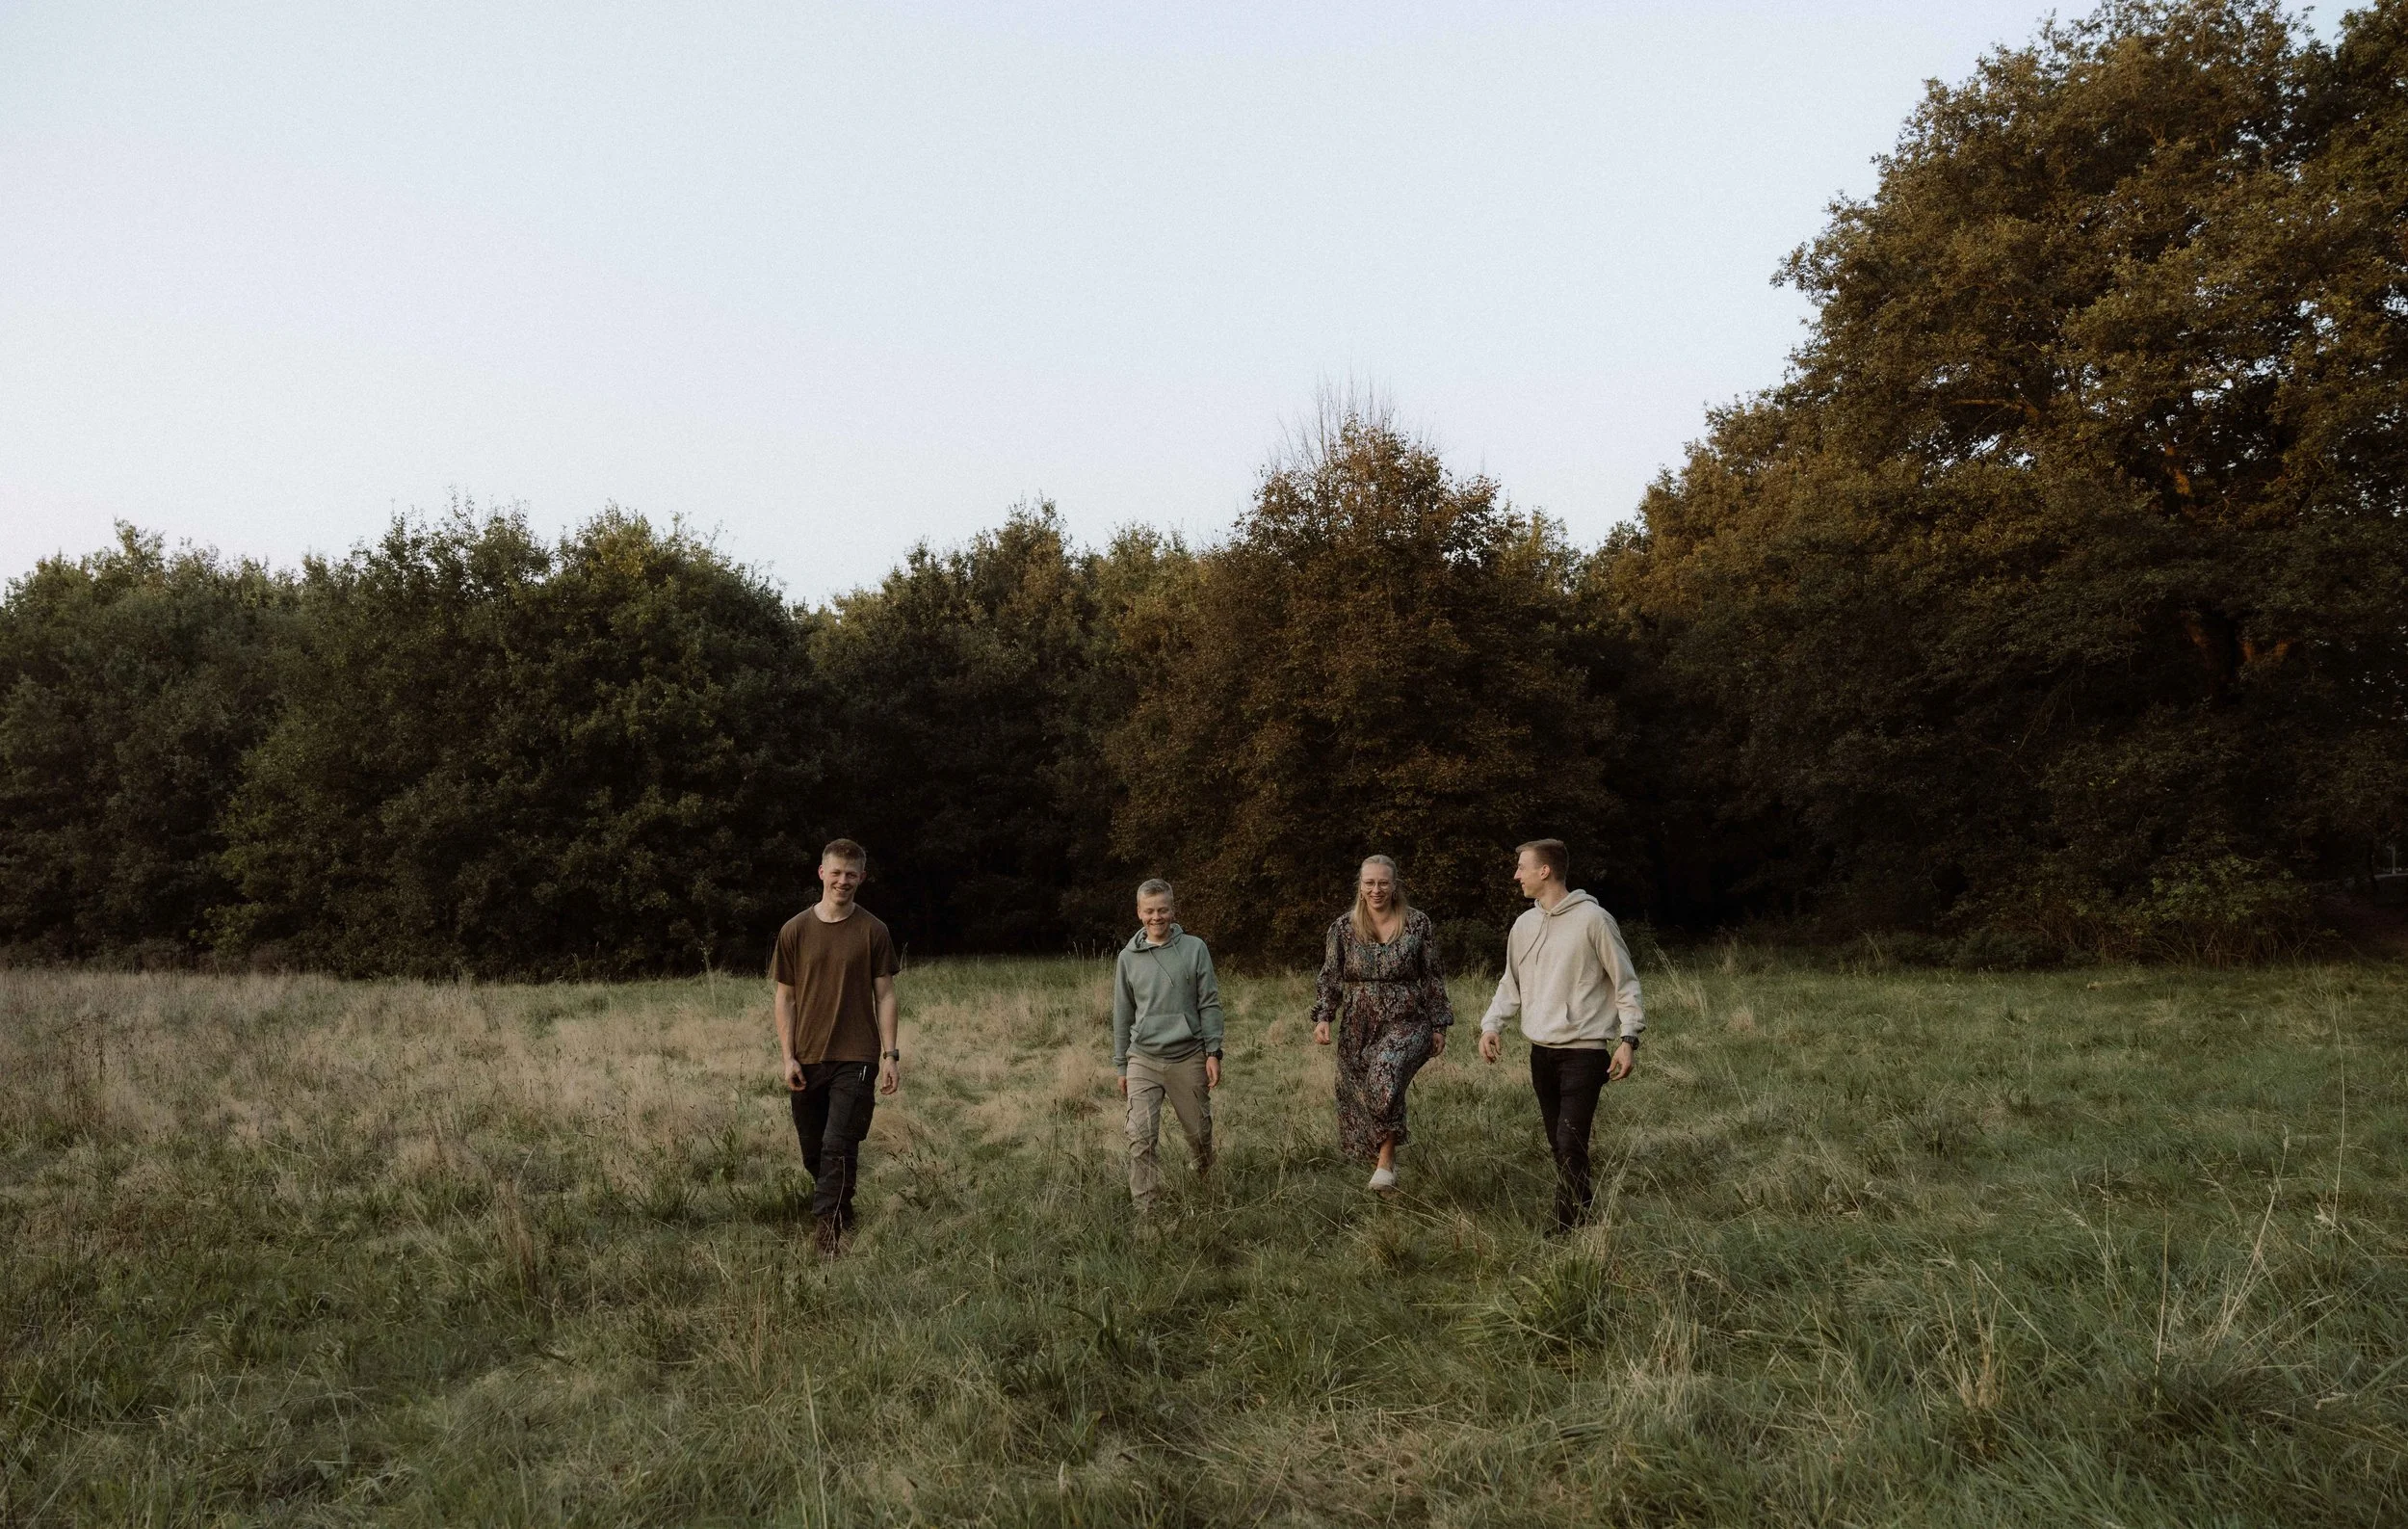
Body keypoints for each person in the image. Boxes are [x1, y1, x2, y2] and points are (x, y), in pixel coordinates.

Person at [1477, 838, 1644, 1232]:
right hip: (1541, 1053)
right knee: (1559, 1143)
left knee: (1570, 1143)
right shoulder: (1524, 924)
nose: (1516, 875)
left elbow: (1625, 982)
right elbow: (1509, 983)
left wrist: (1628, 1038)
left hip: (1585, 1054)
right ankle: (1583, 1212)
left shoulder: (1594, 920)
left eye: (1522, 867)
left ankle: (1565, 1226)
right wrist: (1491, 1025)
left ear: (1544, 871)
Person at [772, 838, 901, 1257]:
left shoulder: (873, 931)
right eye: (837, 872)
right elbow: (785, 997)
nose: (843, 881)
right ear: (821, 873)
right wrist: (788, 1055)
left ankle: (827, 1235)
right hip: (807, 1056)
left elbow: (885, 995)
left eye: (852, 874)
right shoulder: (794, 930)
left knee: (837, 1143)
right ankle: (841, 1206)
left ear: (862, 878)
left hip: (858, 1056)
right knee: (814, 1149)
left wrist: (889, 1055)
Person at [1311, 855, 1452, 1194]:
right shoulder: (1343, 928)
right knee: (1360, 1093)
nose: (1376, 889)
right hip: (1359, 1024)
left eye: (1383, 882)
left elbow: (1432, 976)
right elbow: (1331, 976)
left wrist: (1438, 1025)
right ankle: (1380, 1163)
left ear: (1395, 886)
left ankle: (1385, 1162)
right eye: (1369, 882)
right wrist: (1324, 1016)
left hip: (1408, 1019)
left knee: (1386, 1075)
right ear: (1360, 887)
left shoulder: (1417, 924)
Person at [1112, 879, 1223, 1214]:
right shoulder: (1127, 959)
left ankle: (1204, 1180)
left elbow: (1209, 1002)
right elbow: (1122, 1014)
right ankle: (1147, 1211)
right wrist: (1121, 1065)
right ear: (1139, 913)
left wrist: (1213, 1052)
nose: (1156, 917)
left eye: (1162, 910)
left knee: (1199, 1135)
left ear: (1173, 910)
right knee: (1140, 1137)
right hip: (1143, 1059)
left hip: (1187, 1055)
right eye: (1149, 911)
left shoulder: (1194, 948)